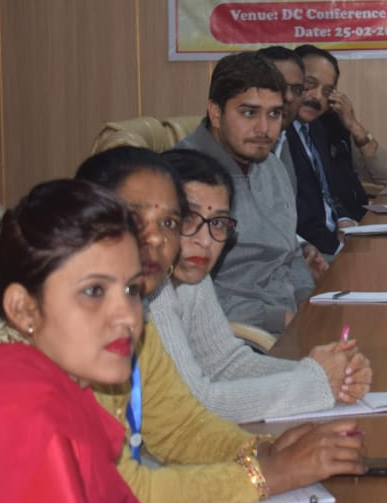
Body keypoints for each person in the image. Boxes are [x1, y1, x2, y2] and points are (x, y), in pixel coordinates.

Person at [75, 147, 367, 503]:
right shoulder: (67, 323)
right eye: (134, 218)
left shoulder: (132, 311)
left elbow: (181, 427)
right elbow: (119, 493)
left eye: (168, 222)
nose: (157, 239)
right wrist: (267, 475)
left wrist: (264, 451)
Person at [0, 179, 146, 503]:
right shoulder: (26, 416)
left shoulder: (59, 385)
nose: (128, 316)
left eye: (132, 289)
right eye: (94, 291)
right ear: (23, 309)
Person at [154, 147, 372, 423]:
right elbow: (195, 404)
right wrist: (315, 382)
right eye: (188, 219)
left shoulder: (192, 275)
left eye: (218, 223)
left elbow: (228, 365)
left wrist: (324, 372)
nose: (205, 240)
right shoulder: (149, 290)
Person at [175, 52, 321, 333]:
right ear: (215, 113)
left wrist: (307, 303)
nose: (264, 129)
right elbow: (179, 293)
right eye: (249, 113)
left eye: (274, 114)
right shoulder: (182, 177)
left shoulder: (272, 166)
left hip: (292, 320)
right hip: (238, 335)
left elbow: (290, 254)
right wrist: (280, 319)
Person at [292, 45, 387, 256]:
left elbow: (386, 178)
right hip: (314, 249)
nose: (317, 97)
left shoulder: (321, 127)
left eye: (327, 92)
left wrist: (353, 126)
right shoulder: (278, 136)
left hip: (347, 231)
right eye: (309, 85)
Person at [256, 45, 307, 182]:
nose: (289, 97)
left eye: (297, 89)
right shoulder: (234, 147)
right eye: (277, 86)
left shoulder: (284, 139)